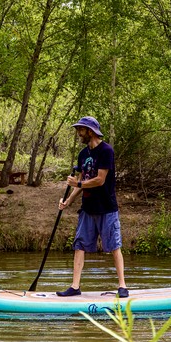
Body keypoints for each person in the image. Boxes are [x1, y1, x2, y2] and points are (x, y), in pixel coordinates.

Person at [56, 116, 128, 298]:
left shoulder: (106, 151)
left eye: (80, 129)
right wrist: (68, 201)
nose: (78, 133)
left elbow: (99, 180)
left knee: (114, 246)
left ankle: (122, 286)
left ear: (90, 131)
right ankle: (74, 287)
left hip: (107, 208)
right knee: (79, 245)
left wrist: (78, 184)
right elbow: (81, 181)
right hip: (87, 209)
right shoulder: (82, 154)